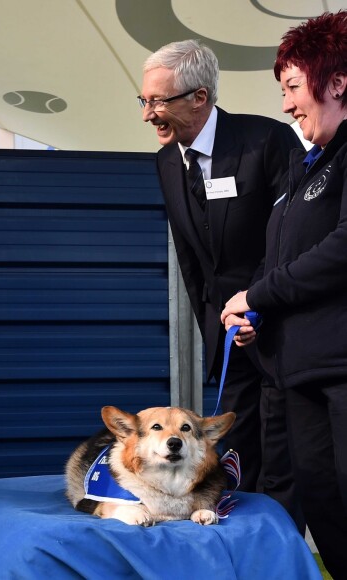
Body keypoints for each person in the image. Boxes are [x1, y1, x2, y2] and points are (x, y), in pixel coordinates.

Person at [139, 40, 305, 527]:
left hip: (281, 330)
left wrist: (257, 308)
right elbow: (193, 263)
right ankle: (235, 551)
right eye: (144, 100)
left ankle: (282, 548)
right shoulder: (167, 162)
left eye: (159, 101)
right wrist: (214, 328)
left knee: (285, 455)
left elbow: (292, 240)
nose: (149, 114)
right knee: (232, 457)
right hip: (230, 340)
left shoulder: (268, 142)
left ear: (200, 97)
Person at [220, 10, 347, 577]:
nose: (287, 104)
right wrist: (258, 318)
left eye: (294, 87)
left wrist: (260, 295)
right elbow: (283, 262)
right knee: (324, 508)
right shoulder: (307, 167)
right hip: (298, 378)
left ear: (337, 82)